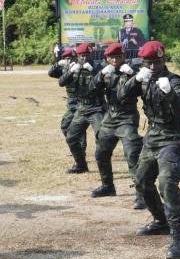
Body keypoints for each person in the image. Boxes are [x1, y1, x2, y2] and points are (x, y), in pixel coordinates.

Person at [118, 41, 180, 259]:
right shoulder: (144, 80)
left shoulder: (174, 81)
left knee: (167, 182)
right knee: (140, 181)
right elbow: (121, 97)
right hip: (152, 137)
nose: (151, 67)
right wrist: (135, 80)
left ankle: (178, 239)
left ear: (163, 60)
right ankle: (161, 221)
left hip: (172, 137)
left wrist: (169, 94)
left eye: (156, 62)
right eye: (147, 63)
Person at [88, 43, 145, 209]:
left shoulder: (132, 69)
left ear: (123, 57)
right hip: (110, 117)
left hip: (127, 117)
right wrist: (100, 75)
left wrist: (133, 75)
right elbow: (90, 90)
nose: (115, 60)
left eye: (118, 57)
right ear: (107, 58)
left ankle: (142, 195)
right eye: (111, 57)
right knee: (100, 153)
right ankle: (108, 186)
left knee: (132, 154)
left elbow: (144, 89)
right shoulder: (105, 71)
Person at [59, 43, 105, 173]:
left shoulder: (99, 67)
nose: (83, 58)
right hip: (82, 107)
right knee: (71, 138)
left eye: (86, 55)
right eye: (81, 56)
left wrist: (95, 72)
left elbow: (105, 84)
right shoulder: (75, 67)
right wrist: (71, 71)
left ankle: (104, 168)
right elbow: (61, 82)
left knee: (101, 138)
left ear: (91, 54)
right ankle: (81, 165)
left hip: (97, 108)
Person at [49, 47, 88, 158]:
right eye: (67, 58)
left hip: (81, 103)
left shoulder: (82, 68)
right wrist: (58, 64)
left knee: (79, 127)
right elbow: (51, 73)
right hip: (71, 104)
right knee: (65, 125)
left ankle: (80, 150)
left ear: (77, 58)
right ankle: (75, 146)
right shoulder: (65, 69)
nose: (70, 60)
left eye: (71, 58)